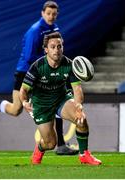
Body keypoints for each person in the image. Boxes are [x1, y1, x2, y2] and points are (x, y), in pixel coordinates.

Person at [0, 1, 78, 155]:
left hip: (40, 73)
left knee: (16, 109)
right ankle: (60, 144)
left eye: (54, 14)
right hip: (27, 72)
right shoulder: (36, 30)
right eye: (48, 13)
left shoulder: (54, 28)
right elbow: (28, 57)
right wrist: (49, 62)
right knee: (20, 109)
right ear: (42, 13)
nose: (51, 16)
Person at [19, 32, 102, 165]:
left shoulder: (69, 64)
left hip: (61, 99)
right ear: (46, 49)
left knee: (81, 119)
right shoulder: (37, 66)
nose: (56, 50)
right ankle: (39, 148)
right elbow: (23, 90)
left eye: (59, 46)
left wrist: (79, 105)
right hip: (41, 105)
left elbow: (77, 88)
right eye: (52, 47)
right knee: (50, 143)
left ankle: (84, 155)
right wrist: (24, 102)